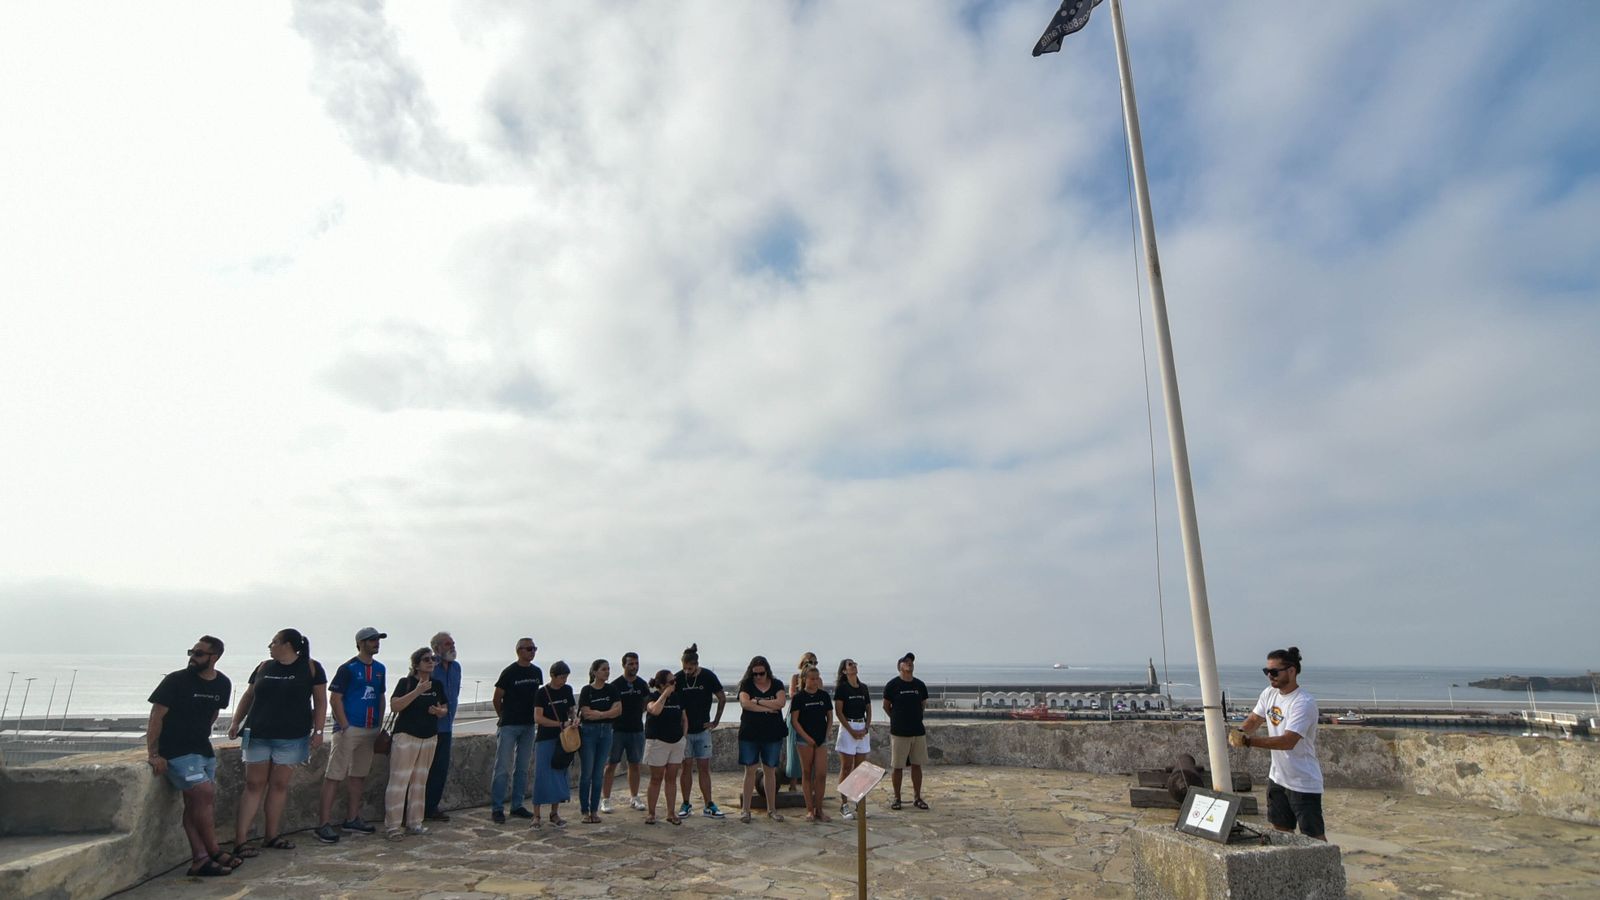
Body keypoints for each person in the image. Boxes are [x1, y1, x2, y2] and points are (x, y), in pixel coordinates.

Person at [227, 628, 327, 857]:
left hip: (291, 736)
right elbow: (249, 695)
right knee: (254, 784)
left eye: (273, 642)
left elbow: (320, 701)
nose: (270, 646)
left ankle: (271, 835)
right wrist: (236, 722)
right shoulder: (264, 666)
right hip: (259, 733)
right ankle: (240, 840)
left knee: (279, 785)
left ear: (288, 645)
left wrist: (318, 730)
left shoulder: (311, 667)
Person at [146, 635, 236, 877]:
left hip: (202, 750)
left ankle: (200, 859)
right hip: (176, 750)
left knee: (195, 805)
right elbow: (156, 716)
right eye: (191, 652)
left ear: (214, 657)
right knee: (203, 793)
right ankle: (214, 851)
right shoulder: (176, 681)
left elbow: (213, 713)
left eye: (198, 654)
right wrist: (154, 753)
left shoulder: (223, 684)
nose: (192, 658)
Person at [1230, 646, 1325, 840]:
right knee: (1280, 832)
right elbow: (1255, 719)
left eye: (1274, 672)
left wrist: (1249, 741)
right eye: (1267, 671)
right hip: (1278, 778)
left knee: (1313, 838)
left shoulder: (1302, 702)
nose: (1269, 676)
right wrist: (1240, 731)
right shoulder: (1269, 694)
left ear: (1291, 671)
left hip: (1303, 783)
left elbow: (1288, 741)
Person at [315, 627, 386, 843]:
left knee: (359, 775)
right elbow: (335, 698)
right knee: (335, 775)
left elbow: (381, 697)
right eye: (372, 640)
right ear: (361, 643)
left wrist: (379, 723)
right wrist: (344, 725)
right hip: (349, 729)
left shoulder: (380, 669)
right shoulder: (348, 668)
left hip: (370, 729)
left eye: (378, 639)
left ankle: (352, 817)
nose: (376, 643)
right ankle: (323, 823)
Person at [385, 647, 449, 840]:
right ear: (416, 664)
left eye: (433, 659)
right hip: (406, 736)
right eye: (426, 659)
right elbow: (395, 706)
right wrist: (417, 691)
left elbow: (444, 708)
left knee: (420, 782)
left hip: (429, 737)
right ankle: (393, 826)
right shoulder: (406, 683)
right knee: (399, 781)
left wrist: (439, 712)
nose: (431, 662)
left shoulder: (437, 685)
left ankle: (415, 822)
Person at [489, 638, 542, 824]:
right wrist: (502, 716)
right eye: (529, 649)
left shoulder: (536, 672)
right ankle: (497, 808)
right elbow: (497, 697)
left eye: (534, 648)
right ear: (519, 650)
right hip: (509, 725)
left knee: (522, 768)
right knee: (502, 767)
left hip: (528, 725)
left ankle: (517, 805)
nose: (532, 652)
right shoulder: (510, 672)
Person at [675, 643, 727, 820]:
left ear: (696, 665)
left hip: (703, 730)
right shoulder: (679, 678)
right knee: (686, 767)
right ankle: (686, 802)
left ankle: (708, 804)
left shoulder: (707, 676)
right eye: (685, 668)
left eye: (690, 668)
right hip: (685, 732)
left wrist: (716, 721)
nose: (687, 672)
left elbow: (721, 697)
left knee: (704, 767)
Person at [736, 655, 788, 824]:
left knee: (770, 771)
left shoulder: (777, 684)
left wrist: (757, 701)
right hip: (750, 734)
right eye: (755, 674)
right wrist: (767, 706)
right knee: (750, 771)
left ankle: (771, 809)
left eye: (761, 673)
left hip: (772, 734)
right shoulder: (746, 685)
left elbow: (780, 703)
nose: (758, 677)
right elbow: (745, 704)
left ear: (767, 671)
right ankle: (746, 810)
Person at [601, 651, 649, 814]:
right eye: (631, 664)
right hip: (617, 730)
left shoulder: (642, 684)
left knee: (634, 764)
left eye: (636, 663)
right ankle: (605, 799)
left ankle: (634, 797)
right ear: (624, 665)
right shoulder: (615, 685)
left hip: (636, 730)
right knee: (610, 765)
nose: (634, 667)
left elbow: (645, 704)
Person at [883, 652, 930, 811]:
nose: (909, 663)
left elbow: (923, 704)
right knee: (897, 766)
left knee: (917, 765)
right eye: (906, 661)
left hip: (918, 731)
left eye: (911, 662)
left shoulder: (920, 685)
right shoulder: (892, 685)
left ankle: (917, 797)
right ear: (900, 667)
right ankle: (897, 798)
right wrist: (896, 719)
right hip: (899, 732)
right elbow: (886, 706)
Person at [532, 660, 576, 827]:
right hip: (545, 738)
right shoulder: (542, 693)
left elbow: (571, 709)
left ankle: (554, 812)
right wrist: (559, 724)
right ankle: (536, 815)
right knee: (542, 775)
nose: (564, 680)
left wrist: (573, 719)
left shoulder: (567, 690)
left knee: (559, 774)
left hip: (563, 739)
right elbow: (538, 717)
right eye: (561, 677)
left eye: (566, 677)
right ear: (553, 676)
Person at [423, 631, 461, 822]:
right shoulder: (430, 667)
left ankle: (432, 807)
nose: (452, 647)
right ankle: (415, 808)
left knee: (440, 769)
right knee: (423, 770)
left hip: (447, 726)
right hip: (428, 726)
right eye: (447, 644)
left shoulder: (456, 668)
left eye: (453, 643)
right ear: (436, 647)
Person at [577, 659, 621, 823]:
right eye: (603, 669)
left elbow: (618, 710)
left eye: (608, 669)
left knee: (598, 774)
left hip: (606, 731)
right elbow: (586, 713)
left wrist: (600, 715)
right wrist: (606, 712)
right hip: (589, 732)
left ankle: (594, 810)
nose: (607, 672)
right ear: (594, 672)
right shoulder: (587, 690)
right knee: (587, 773)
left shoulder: (612, 689)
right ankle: (584, 810)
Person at [642, 669, 687, 825]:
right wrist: (664, 695)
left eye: (675, 681)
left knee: (671, 778)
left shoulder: (678, 698)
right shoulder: (652, 697)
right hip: (658, 741)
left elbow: (684, 718)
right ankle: (651, 813)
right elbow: (654, 710)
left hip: (676, 742)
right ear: (661, 685)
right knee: (656, 778)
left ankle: (671, 812)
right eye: (671, 682)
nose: (674, 684)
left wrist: (683, 737)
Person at [790, 665, 833, 822]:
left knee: (821, 774)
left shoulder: (824, 696)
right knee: (807, 773)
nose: (815, 682)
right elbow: (795, 721)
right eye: (812, 679)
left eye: (817, 678)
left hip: (821, 739)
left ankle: (819, 809)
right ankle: (809, 810)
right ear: (805, 680)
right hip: (804, 740)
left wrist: (827, 734)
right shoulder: (799, 698)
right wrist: (807, 738)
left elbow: (829, 717)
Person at [833, 658, 871, 820]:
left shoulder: (863, 688)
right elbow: (839, 712)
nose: (854, 666)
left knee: (860, 769)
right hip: (848, 728)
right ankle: (844, 804)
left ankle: (858, 803)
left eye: (854, 663)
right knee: (847, 767)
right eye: (850, 664)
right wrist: (851, 731)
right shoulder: (842, 689)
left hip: (862, 727)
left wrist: (866, 728)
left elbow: (868, 710)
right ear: (844, 670)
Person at [782, 651, 818, 791]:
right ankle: (793, 784)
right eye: (809, 662)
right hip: (797, 715)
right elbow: (792, 695)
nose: (812, 665)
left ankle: (811, 785)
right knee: (793, 749)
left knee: (814, 750)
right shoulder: (795, 678)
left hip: (812, 715)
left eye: (815, 663)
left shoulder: (817, 679)